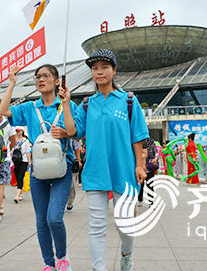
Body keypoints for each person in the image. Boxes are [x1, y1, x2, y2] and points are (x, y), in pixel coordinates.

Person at [60, 49, 149, 271]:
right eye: (95, 68)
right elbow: (73, 130)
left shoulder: (128, 100)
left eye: (104, 67)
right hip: (95, 172)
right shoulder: (88, 104)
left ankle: (127, 253)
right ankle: (98, 268)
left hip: (124, 171)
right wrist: (66, 103)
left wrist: (139, 165)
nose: (99, 72)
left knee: (124, 226)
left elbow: (138, 136)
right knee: (97, 226)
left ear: (114, 70)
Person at [0, 65, 77, 271]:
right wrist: (12, 83)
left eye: (46, 76)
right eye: (38, 77)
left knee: (54, 218)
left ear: (57, 80)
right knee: (41, 220)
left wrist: (65, 132)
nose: (41, 79)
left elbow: (76, 131)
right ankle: (49, 264)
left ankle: (62, 258)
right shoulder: (30, 107)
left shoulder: (66, 104)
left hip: (62, 168)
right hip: (38, 170)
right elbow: (4, 110)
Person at [12, 126, 31, 203]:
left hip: (24, 161)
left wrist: (29, 161)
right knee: (17, 177)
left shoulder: (25, 141)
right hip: (15, 161)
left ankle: (17, 195)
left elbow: (27, 151)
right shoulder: (13, 141)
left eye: (19, 131)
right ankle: (20, 193)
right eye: (16, 131)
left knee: (20, 177)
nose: (18, 132)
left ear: (22, 131)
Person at [138, 138, 158, 207]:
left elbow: (156, 152)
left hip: (150, 167)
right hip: (140, 167)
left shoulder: (151, 141)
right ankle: (140, 200)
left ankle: (151, 202)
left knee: (150, 185)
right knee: (141, 185)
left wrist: (155, 158)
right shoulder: (138, 140)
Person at [66, 139, 82, 211]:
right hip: (58, 163)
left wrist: (78, 160)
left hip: (71, 163)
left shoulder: (70, 135)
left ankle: (70, 203)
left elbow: (77, 148)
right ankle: (61, 203)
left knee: (71, 185)